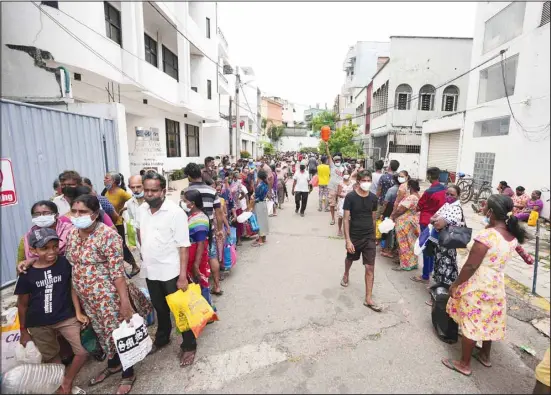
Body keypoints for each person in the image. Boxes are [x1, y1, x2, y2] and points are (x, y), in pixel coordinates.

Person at [443, 194, 526, 377]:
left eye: (484, 206)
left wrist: (456, 284)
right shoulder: (511, 235)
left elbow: (471, 265)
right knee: (489, 318)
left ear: (491, 212)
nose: (481, 209)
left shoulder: (487, 236)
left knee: (471, 321)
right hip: (496, 283)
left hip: (478, 282)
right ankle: (485, 355)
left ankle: (464, 364)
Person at [64, 194, 136, 394]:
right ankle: (113, 365)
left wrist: (124, 302)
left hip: (107, 296)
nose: (78, 215)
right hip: (87, 297)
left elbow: (118, 273)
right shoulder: (72, 234)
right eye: (75, 211)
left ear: (95, 214)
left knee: (117, 333)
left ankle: (128, 373)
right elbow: (72, 267)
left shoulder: (108, 236)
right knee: (102, 333)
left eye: (83, 212)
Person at [15, 228, 89, 394]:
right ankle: (60, 386)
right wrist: (23, 331)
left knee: (82, 351)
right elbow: (22, 304)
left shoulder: (64, 263)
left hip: (66, 316)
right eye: (44, 248)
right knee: (52, 358)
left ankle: (67, 382)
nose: (51, 251)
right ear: (33, 250)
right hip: (38, 323)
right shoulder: (27, 273)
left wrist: (78, 312)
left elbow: (72, 288)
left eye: (55, 246)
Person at [135, 172, 196, 367]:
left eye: (154, 190)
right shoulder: (141, 209)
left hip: (171, 272)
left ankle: (189, 345)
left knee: (179, 310)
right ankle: (162, 338)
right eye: (146, 190)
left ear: (163, 191)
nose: (149, 194)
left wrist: (182, 276)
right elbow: (138, 232)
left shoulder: (175, 213)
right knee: (160, 308)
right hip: (151, 270)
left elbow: (183, 246)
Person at [341, 170, 382, 312]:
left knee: (370, 267)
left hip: (369, 236)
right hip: (354, 236)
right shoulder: (350, 197)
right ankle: (346, 273)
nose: (366, 183)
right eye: (364, 180)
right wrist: (348, 240)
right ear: (358, 181)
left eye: (368, 180)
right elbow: (346, 219)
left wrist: (375, 235)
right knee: (350, 258)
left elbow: (373, 217)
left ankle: (368, 298)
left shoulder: (373, 198)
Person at [183, 163, 225, 296]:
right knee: (212, 257)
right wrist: (219, 229)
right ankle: (217, 285)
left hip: (192, 233)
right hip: (209, 230)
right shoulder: (211, 190)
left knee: (195, 261)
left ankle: (197, 289)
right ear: (201, 174)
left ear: (189, 177)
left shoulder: (185, 192)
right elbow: (219, 212)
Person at [425, 185, 464, 305]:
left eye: (452, 195)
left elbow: (438, 224)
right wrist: (436, 220)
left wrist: (437, 220)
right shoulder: (447, 205)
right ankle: (439, 289)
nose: (448, 196)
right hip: (440, 241)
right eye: (447, 194)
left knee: (446, 267)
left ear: (458, 195)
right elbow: (433, 219)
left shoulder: (456, 208)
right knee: (439, 265)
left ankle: (442, 297)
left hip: (448, 243)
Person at [411, 167, 446, 284]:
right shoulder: (445, 190)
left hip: (427, 221)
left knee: (426, 247)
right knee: (433, 246)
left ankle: (425, 275)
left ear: (430, 176)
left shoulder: (428, 192)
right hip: (441, 221)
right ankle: (430, 270)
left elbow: (419, 206)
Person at [180, 189, 214, 307]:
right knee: (195, 283)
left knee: (200, 281)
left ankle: (207, 310)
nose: (183, 203)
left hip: (197, 257)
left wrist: (196, 265)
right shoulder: (193, 215)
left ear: (192, 203)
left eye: (185, 201)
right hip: (192, 254)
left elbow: (201, 244)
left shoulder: (199, 219)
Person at [104, 172, 140, 277]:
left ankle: (134, 265)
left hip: (118, 224)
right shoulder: (107, 192)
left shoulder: (121, 192)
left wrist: (123, 209)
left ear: (114, 181)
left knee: (121, 246)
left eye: (107, 178)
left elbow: (133, 201)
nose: (104, 180)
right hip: (109, 224)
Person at [17, 200, 73, 265]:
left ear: (56, 215)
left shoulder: (70, 231)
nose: (42, 217)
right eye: (37, 214)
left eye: (46, 213)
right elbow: (20, 263)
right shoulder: (28, 237)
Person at [391, 179, 421, 271]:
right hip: (413, 222)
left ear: (410, 187)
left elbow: (401, 210)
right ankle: (413, 263)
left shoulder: (411, 197)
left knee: (403, 243)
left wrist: (393, 216)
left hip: (404, 223)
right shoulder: (418, 196)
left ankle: (405, 264)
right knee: (411, 242)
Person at [379, 174, 400, 258]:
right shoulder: (405, 189)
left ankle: (384, 248)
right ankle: (393, 249)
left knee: (385, 229)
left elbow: (385, 202)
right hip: (399, 212)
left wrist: (381, 213)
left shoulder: (391, 190)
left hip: (389, 210)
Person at [325, 142, 345, 226]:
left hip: (341, 188)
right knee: (332, 204)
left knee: (341, 204)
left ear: (340, 160)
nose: (337, 161)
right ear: (334, 161)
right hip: (332, 188)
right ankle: (333, 219)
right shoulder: (332, 166)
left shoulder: (344, 168)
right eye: (336, 160)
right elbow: (329, 156)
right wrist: (327, 147)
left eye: (338, 160)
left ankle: (340, 218)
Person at [252, 169, 270, 246]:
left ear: (259, 177)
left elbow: (258, 198)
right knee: (264, 221)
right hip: (263, 204)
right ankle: (264, 238)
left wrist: (253, 198)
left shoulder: (259, 186)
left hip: (259, 204)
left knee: (259, 222)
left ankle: (260, 240)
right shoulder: (265, 184)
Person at [336, 171, 355, 237]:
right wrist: (345, 196)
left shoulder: (352, 182)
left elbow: (355, 191)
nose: (346, 175)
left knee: (349, 216)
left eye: (347, 174)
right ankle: (339, 229)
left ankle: (348, 230)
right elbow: (338, 193)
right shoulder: (340, 183)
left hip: (351, 201)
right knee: (341, 217)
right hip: (342, 202)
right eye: (345, 174)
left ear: (349, 175)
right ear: (343, 175)